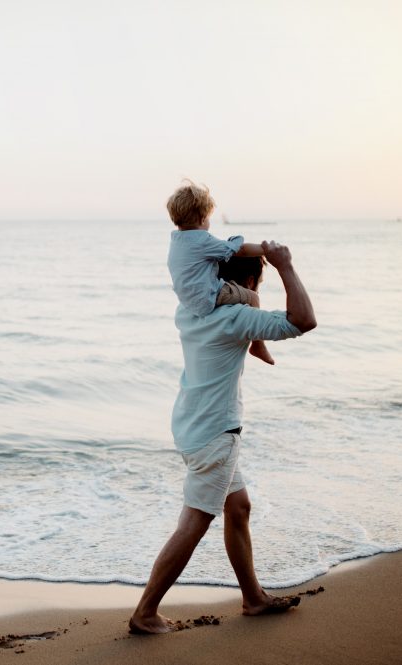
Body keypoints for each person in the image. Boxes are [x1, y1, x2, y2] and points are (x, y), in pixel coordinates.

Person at [129, 240, 317, 634]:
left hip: (192, 425)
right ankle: (145, 612)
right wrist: (285, 265)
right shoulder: (234, 319)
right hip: (216, 435)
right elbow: (303, 320)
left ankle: (253, 598)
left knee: (239, 506)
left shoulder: (191, 310)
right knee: (194, 522)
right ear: (249, 282)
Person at [166, 180, 275, 365]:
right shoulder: (202, 240)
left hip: (187, 300)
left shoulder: (176, 241)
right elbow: (238, 250)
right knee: (253, 298)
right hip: (208, 298)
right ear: (202, 219)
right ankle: (258, 345)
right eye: (208, 218)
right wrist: (268, 250)